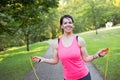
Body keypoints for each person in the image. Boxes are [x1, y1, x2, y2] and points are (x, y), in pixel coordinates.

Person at [33, 15, 108, 80]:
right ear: (61, 26)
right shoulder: (56, 44)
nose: (68, 25)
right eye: (65, 23)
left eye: (70, 22)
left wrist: (97, 55)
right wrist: (43, 59)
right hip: (68, 78)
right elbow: (55, 61)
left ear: (73, 25)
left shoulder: (79, 40)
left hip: (84, 76)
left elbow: (86, 58)